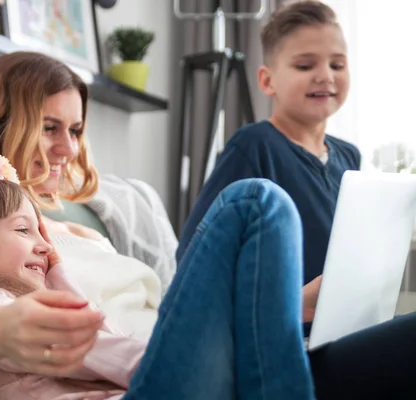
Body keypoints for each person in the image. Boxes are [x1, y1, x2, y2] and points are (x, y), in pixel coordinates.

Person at [0, 155, 314, 399]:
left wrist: (59, 273)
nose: (45, 244)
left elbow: (94, 335)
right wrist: (177, 354)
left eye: (41, 229)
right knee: (253, 201)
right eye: (23, 229)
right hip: (147, 380)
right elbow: (96, 346)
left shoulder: (24, 286)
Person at [178, 1, 416, 399]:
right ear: (267, 80)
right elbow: (192, 265)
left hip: (340, 335)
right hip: (282, 348)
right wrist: (293, 302)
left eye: (337, 65)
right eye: (306, 66)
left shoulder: (348, 157)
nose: (325, 76)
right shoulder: (253, 147)